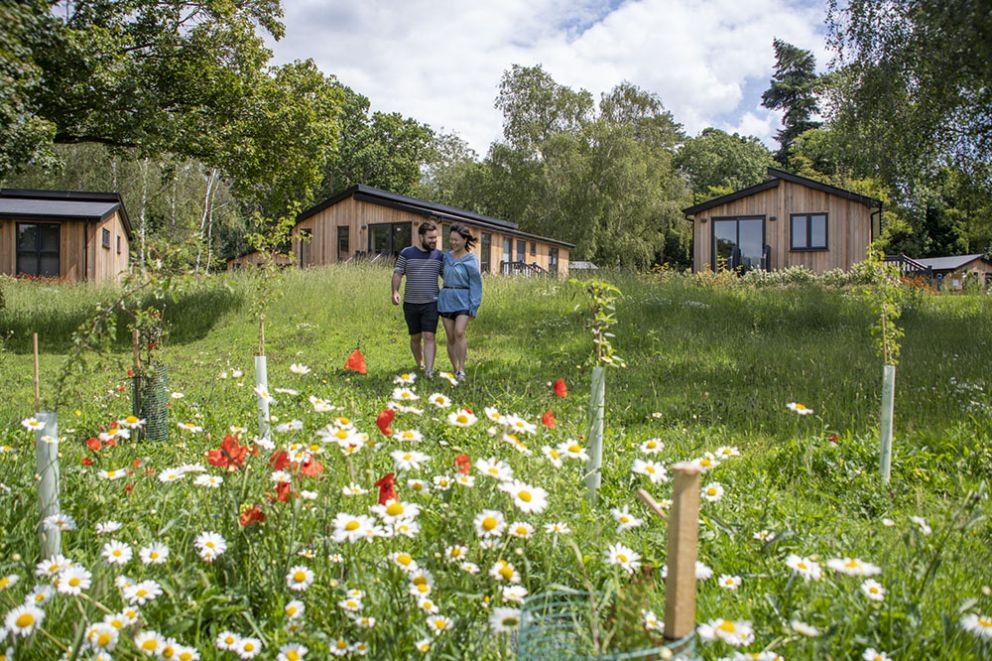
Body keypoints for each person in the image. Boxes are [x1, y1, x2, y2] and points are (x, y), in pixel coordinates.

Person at [392, 221, 443, 377]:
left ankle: (429, 370)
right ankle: (419, 363)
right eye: (430, 238)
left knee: (429, 336)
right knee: (415, 337)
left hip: (432, 303)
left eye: (435, 238)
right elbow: (398, 273)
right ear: (421, 237)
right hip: (411, 303)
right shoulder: (407, 253)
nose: (434, 241)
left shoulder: (439, 256)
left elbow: (447, 276)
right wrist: (395, 291)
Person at [437, 223, 483, 381]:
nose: (453, 242)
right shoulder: (445, 257)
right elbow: (441, 272)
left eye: (456, 240)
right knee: (450, 337)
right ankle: (455, 369)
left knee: (459, 332)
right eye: (451, 239)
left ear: (465, 240)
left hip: (463, 301)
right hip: (446, 300)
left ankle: (462, 369)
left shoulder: (471, 259)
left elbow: (476, 284)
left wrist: (474, 307)